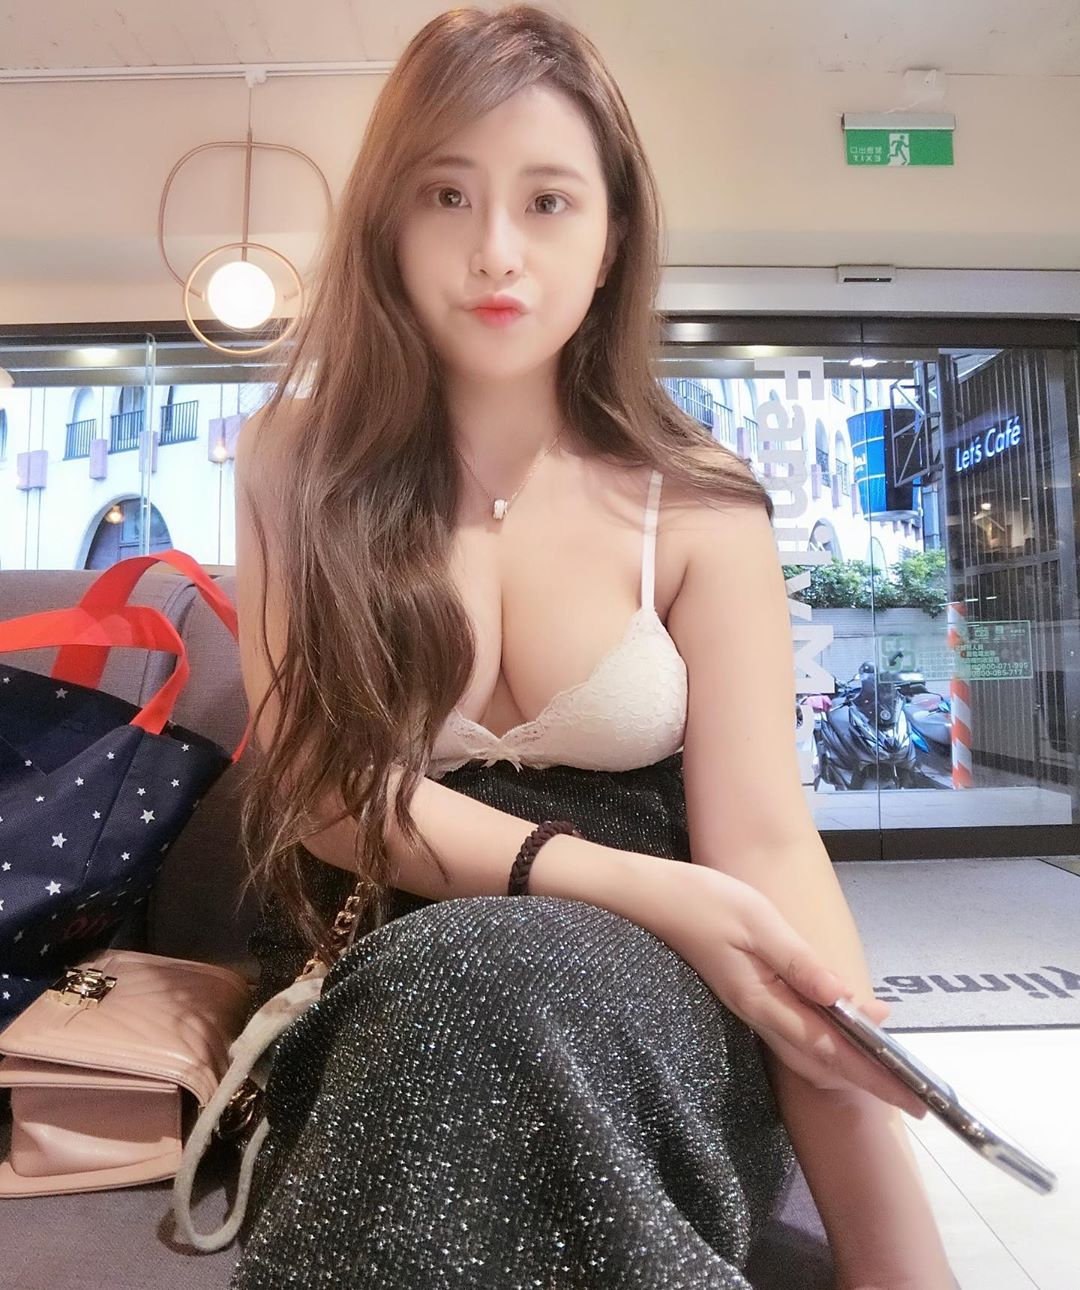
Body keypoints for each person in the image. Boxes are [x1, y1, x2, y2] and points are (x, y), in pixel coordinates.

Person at [228, 6, 955, 1287]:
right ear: (388, 222)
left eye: (549, 201)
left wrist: (894, 1247)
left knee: (493, 994)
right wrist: (632, 885)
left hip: (654, 1000)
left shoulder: (700, 498)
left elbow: (764, 844)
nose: (495, 250)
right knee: (463, 986)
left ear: (613, 236)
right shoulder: (300, 466)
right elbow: (322, 788)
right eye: (447, 194)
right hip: (387, 962)